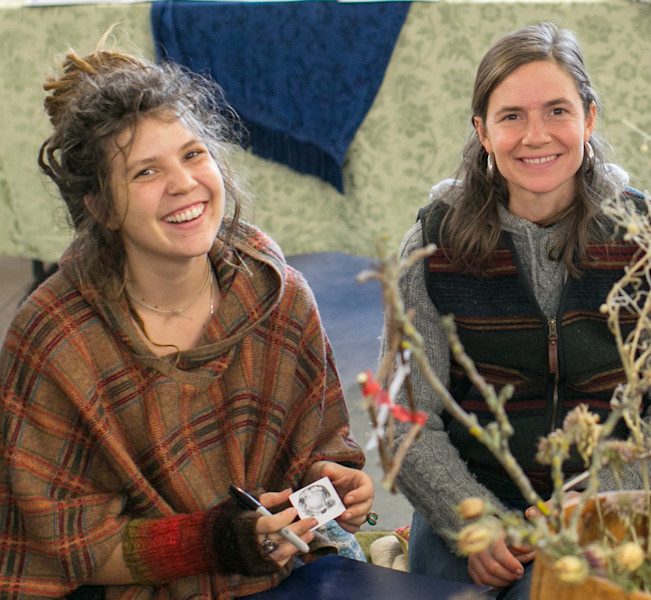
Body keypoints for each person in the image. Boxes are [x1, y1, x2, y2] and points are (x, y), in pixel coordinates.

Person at [0, 41, 374, 598]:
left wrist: (330, 481)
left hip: (290, 572)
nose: (183, 183)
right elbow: (71, 548)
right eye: (146, 171)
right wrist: (220, 540)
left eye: (193, 154)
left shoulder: (276, 294)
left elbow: (320, 442)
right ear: (100, 206)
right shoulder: (56, 338)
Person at [386, 22, 651, 599]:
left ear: (589, 118)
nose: (535, 136)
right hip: (470, 506)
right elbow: (406, 421)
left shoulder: (649, 237)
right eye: (511, 116)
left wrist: (597, 503)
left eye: (557, 111)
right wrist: (472, 520)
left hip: (612, 506)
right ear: (483, 132)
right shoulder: (432, 243)